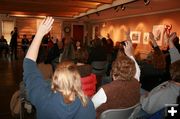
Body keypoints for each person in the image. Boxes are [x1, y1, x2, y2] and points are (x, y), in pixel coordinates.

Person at [23, 17, 95, 119]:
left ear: (55, 79)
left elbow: (29, 64)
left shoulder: (43, 98)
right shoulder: (88, 105)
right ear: (77, 80)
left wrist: (39, 34)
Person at [129, 32, 180, 119]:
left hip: (145, 107)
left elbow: (146, 105)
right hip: (152, 93)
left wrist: (142, 97)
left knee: (132, 89)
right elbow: (176, 61)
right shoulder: (163, 68)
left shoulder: (168, 91)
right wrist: (170, 42)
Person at [92, 30, 141, 119]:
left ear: (113, 72)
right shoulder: (136, 83)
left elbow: (91, 106)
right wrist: (130, 54)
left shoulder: (105, 90)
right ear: (132, 71)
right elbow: (137, 70)